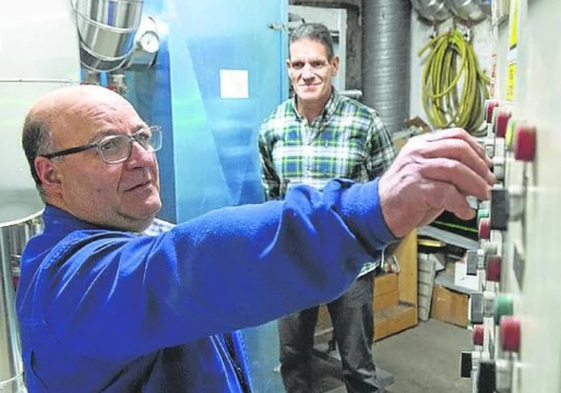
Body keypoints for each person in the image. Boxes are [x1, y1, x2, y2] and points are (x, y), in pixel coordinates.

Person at [16, 84, 494, 393]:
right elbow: (191, 264)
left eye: (142, 137)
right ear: (50, 175)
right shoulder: (68, 286)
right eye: (110, 146)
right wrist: (367, 209)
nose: (141, 158)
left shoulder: (130, 230)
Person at [258, 23, 396, 393]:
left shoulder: (365, 123)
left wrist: (379, 251)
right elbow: (272, 193)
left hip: (350, 265)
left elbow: (392, 194)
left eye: (316, 63)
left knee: (358, 368)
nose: (307, 73)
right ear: (288, 67)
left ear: (334, 65)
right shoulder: (272, 127)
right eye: (298, 64)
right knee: (293, 360)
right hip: (293, 262)